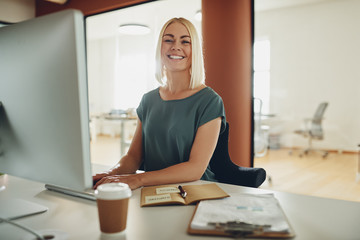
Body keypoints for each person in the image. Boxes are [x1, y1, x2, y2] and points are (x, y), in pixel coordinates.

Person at [93, 17, 226, 190]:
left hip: (193, 191)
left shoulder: (209, 101)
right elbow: (133, 157)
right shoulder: (148, 100)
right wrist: (110, 173)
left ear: (195, 51)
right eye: (168, 40)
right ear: (160, 48)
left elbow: (195, 168)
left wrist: (138, 180)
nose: (175, 46)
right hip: (152, 191)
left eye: (185, 41)